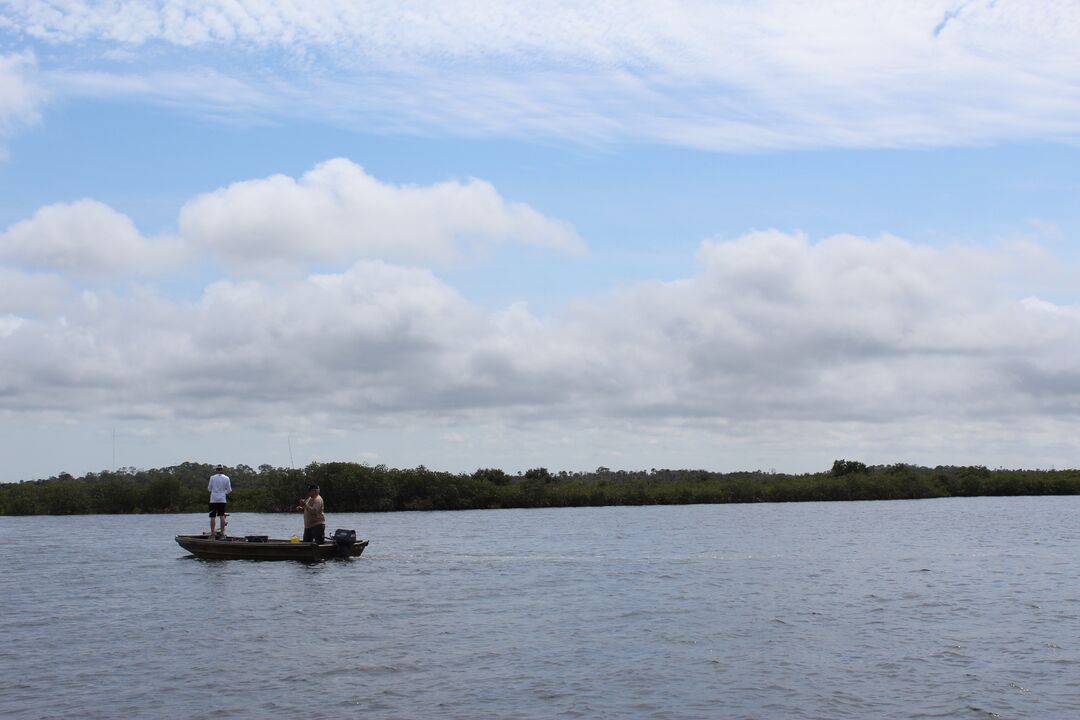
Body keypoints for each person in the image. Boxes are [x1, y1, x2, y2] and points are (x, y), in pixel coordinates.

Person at [207, 464, 232, 539]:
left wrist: (215, 491)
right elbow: (229, 490)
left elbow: (209, 488)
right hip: (222, 499)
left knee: (212, 517)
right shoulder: (227, 478)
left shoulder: (212, 478)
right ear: (222, 469)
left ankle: (212, 534)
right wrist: (223, 493)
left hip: (213, 499)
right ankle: (222, 534)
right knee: (222, 516)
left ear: (216, 470)